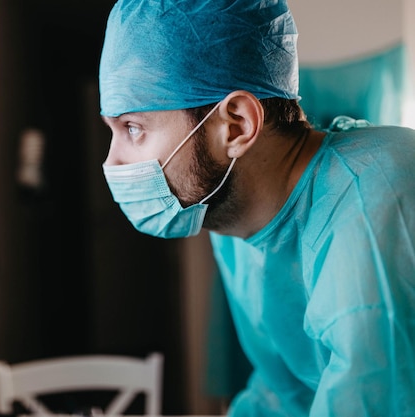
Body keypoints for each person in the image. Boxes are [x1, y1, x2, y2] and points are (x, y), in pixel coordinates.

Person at [97, 0, 415, 416]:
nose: (112, 161)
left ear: (237, 125)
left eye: (133, 128)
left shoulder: (376, 195)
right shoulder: (236, 223)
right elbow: (284, 394)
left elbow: (377, 398)